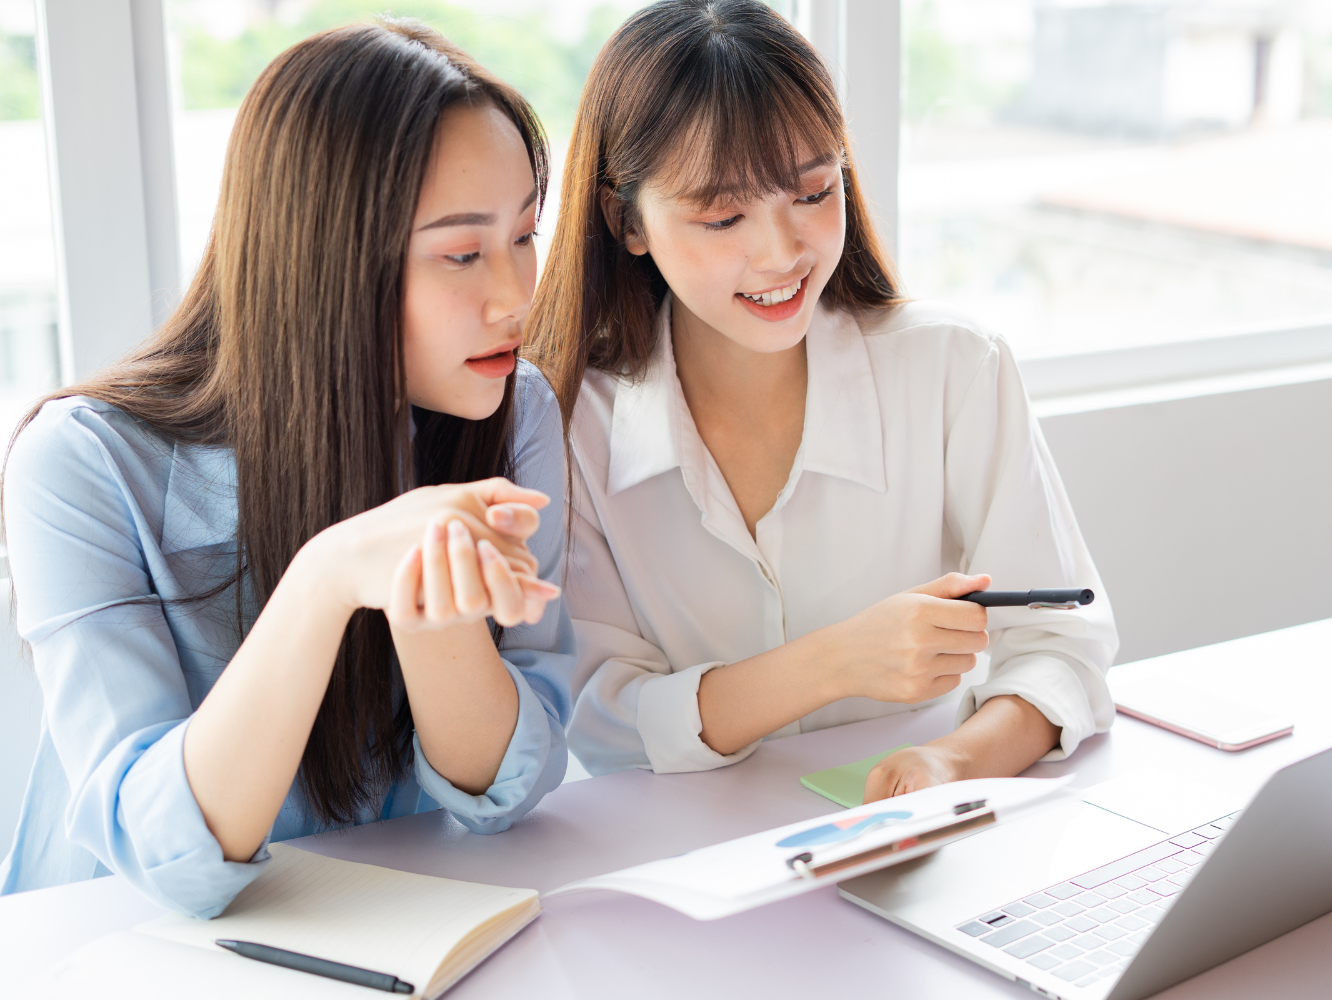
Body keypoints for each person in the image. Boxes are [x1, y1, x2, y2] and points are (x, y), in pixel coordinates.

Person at [0, 21, 574, 918]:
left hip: (398, 936)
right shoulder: (81, 462)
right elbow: (167, 855)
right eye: (463, 254)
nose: (516, 296)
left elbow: (504, 790)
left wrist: (429, 610)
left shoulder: (514, 410)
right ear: (327, 261)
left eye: (525, 236)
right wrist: (327, 578)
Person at [528, 0, 1118, 798]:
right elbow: (601, 719)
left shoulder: (953, 367)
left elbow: (1059, 644)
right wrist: (836, 662)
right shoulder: (567, 425)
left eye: (812, 192)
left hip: (921, 833)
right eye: (724, 214)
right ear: (624, 220)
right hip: (686, 863)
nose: (781, 252)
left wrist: (952, 762)